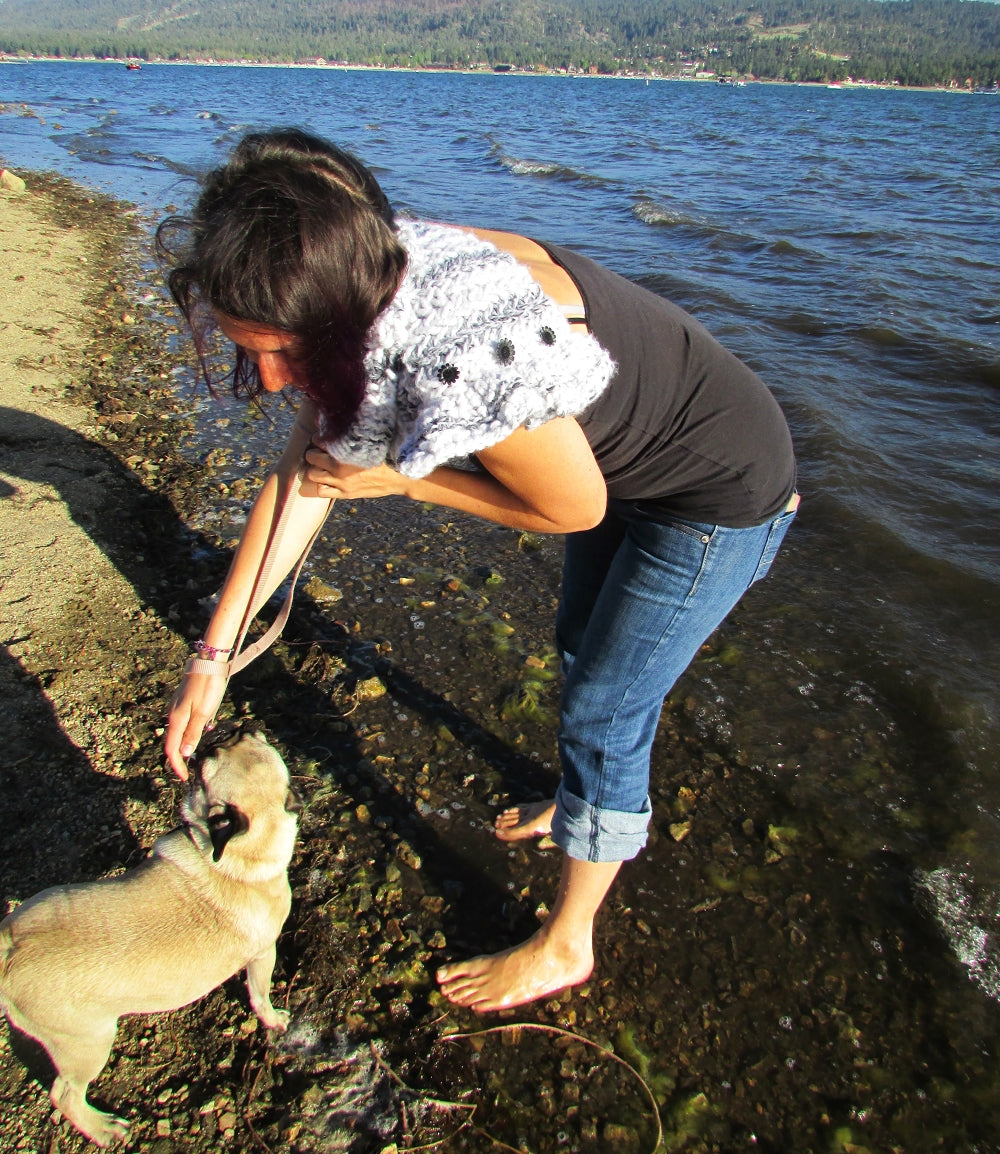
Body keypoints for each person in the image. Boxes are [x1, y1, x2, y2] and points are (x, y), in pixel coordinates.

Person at [160, 127, 798, 1014]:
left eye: (283, 355)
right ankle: (584, 795)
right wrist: (213, 658)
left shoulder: (468, 351)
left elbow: (574, 507)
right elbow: (302, 481)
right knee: (582, 649)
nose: (269, 382)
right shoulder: (353, 266)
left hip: (719, 492)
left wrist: (404, 481)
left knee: (606, 708)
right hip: (631, 466)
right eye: (251, 350)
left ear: (337, 317)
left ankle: (567, 942)